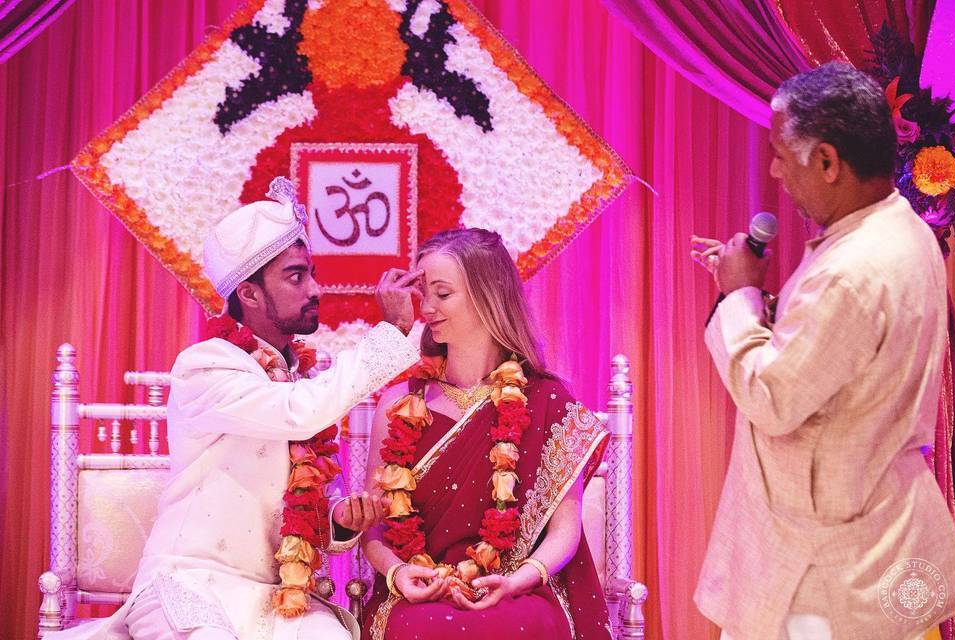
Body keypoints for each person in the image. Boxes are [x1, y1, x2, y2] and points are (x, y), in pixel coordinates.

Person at [50, 177, 422, 640]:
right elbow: (298, 412)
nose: (315, 289)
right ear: (248, 294)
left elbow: (300, 509)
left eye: (311, 273)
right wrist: (390, 331)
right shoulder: (205, 368)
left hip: (269, 597)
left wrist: (339, 520)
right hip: (187, 584)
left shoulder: (297, 378)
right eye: (295, 276)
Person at [690, 63, 955, 640]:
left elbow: (772, 397)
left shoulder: (852, 269)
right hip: (880, 532)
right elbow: (834, 358)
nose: (773, 170)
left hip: (827, 575)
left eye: (781, 153)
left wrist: (738, 296)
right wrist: (758, 300)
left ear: (829, 162)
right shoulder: (899, 228)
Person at [358, 228, 611, 640]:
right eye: (424, 294)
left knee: (519, 625)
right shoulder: (398, 404)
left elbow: (567, 527)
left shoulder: (546, 398)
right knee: (422, 627)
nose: (428, 309)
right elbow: (375, 529)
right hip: (420, 596)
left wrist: (520, 580)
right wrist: (400, 572)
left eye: (443, 294)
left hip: (518, 591)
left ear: (488, 294)